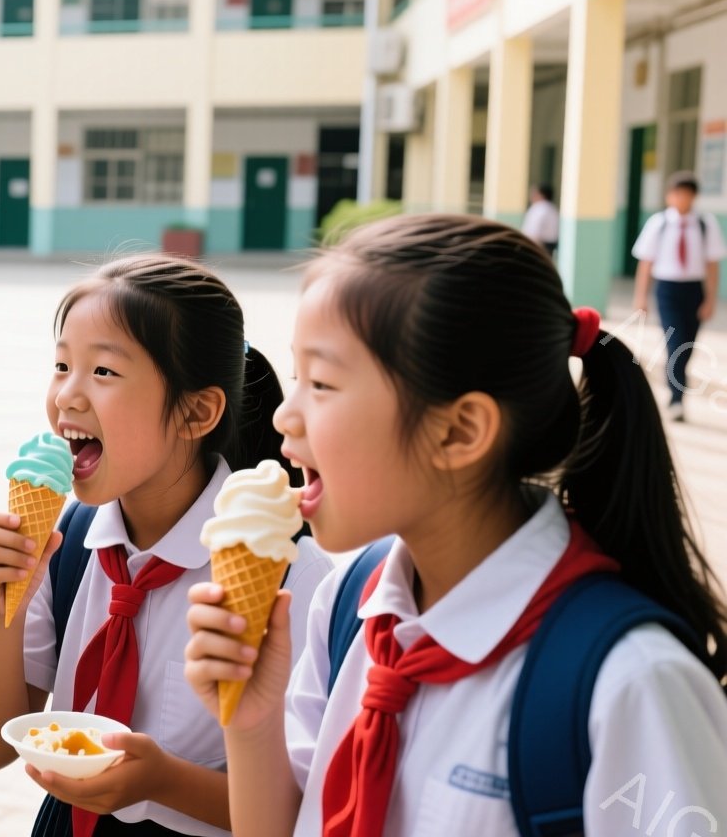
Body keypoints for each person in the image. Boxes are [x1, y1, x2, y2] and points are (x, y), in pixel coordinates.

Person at [185, 214, 727, 835]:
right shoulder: (346, 607)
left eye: (324, 383)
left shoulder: (630, 684)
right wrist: (251, 724)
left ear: (460, 430)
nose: (284, 416)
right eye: (297, 377)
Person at [0, 254, 332, 837]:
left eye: (104, 372)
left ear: (197, 411)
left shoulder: (290, 577)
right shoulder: (65, 544)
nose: (68, 397)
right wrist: (0, 609)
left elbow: (306, 808)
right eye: (61, 365)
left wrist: (162, 782)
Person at [632, 171, 724, 422]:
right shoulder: (658, 224)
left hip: (694, 290)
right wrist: (641, 296)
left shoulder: (705, 224)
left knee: (687, 347)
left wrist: (710, 299)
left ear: (693, 197)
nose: (681, 199)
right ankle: (676, 399)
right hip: (667, 290)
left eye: (686, 194)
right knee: (676, 342)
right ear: (669, 196)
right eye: (676, 193)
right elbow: (646, 263)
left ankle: (676, 390)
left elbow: (712, 265)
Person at [520, 183, 559, 257]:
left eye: (535, 193)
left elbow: (534, 233)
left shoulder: (539, 208)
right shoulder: (552, 208)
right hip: (547, 246)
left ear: (541, 195)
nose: (531, 196)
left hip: (539, 246)